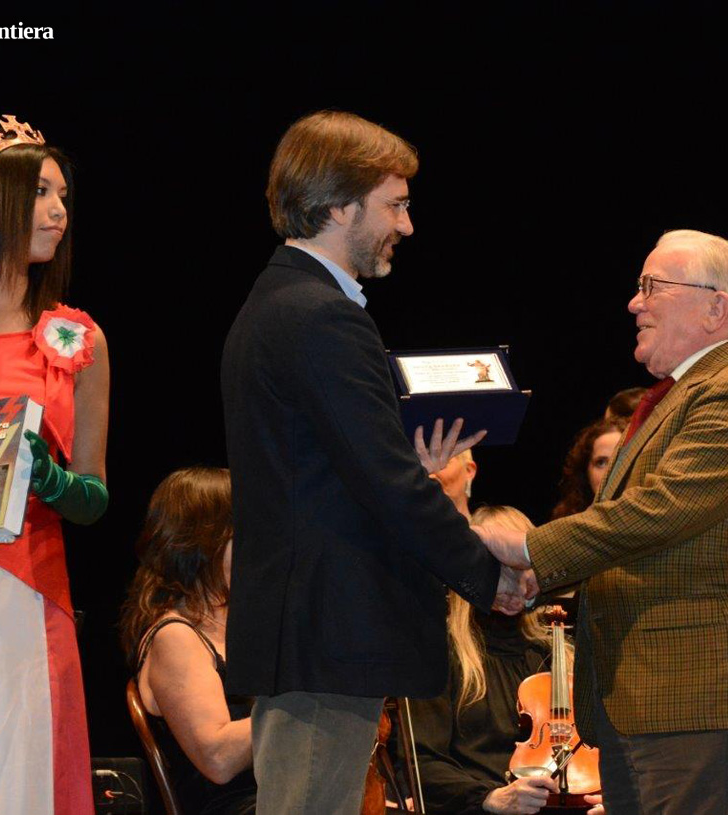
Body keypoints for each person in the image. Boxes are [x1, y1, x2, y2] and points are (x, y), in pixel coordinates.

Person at [220, 110, 525, 815]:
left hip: (311, 638)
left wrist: (406, 466)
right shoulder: (319, 315)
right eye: (395, 204)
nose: (407, 226)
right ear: (338, 206)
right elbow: (386, 487)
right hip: (326, 638)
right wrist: (488, 576)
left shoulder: (280, 302)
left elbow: (332, 475)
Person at [477, 229, 728, 814]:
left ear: (715, 307)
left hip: (700, 696)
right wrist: (535, 582)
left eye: (652, 287)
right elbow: (644, 538)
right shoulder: (678, 397)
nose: (635, 303)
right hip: (645, 700)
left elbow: (661, 511)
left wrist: (530, 549)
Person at [0, 115, 108, 815]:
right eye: (41, 192)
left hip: (24, 595)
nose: (59, 211)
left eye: (63, 195)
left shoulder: (74, 335)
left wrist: (51, 478)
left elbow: (94, 496)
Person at [408, 505, 564, 815]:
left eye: (521, 569)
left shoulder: (554, 654)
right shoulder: (441, 652)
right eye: (498, 570)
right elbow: (420, 762)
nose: (514, 585)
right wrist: (490, 798)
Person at [121, 468, 255, 815]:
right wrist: (301, 708)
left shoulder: (246, 627)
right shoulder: (175, 636)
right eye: (245, 533)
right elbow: (218, 758)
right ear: (203, 542)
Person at [549, 416, 627, 520]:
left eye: (619, 461)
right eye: (601, 463)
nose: (610, 472)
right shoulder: (566, 522)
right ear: (585, 472)